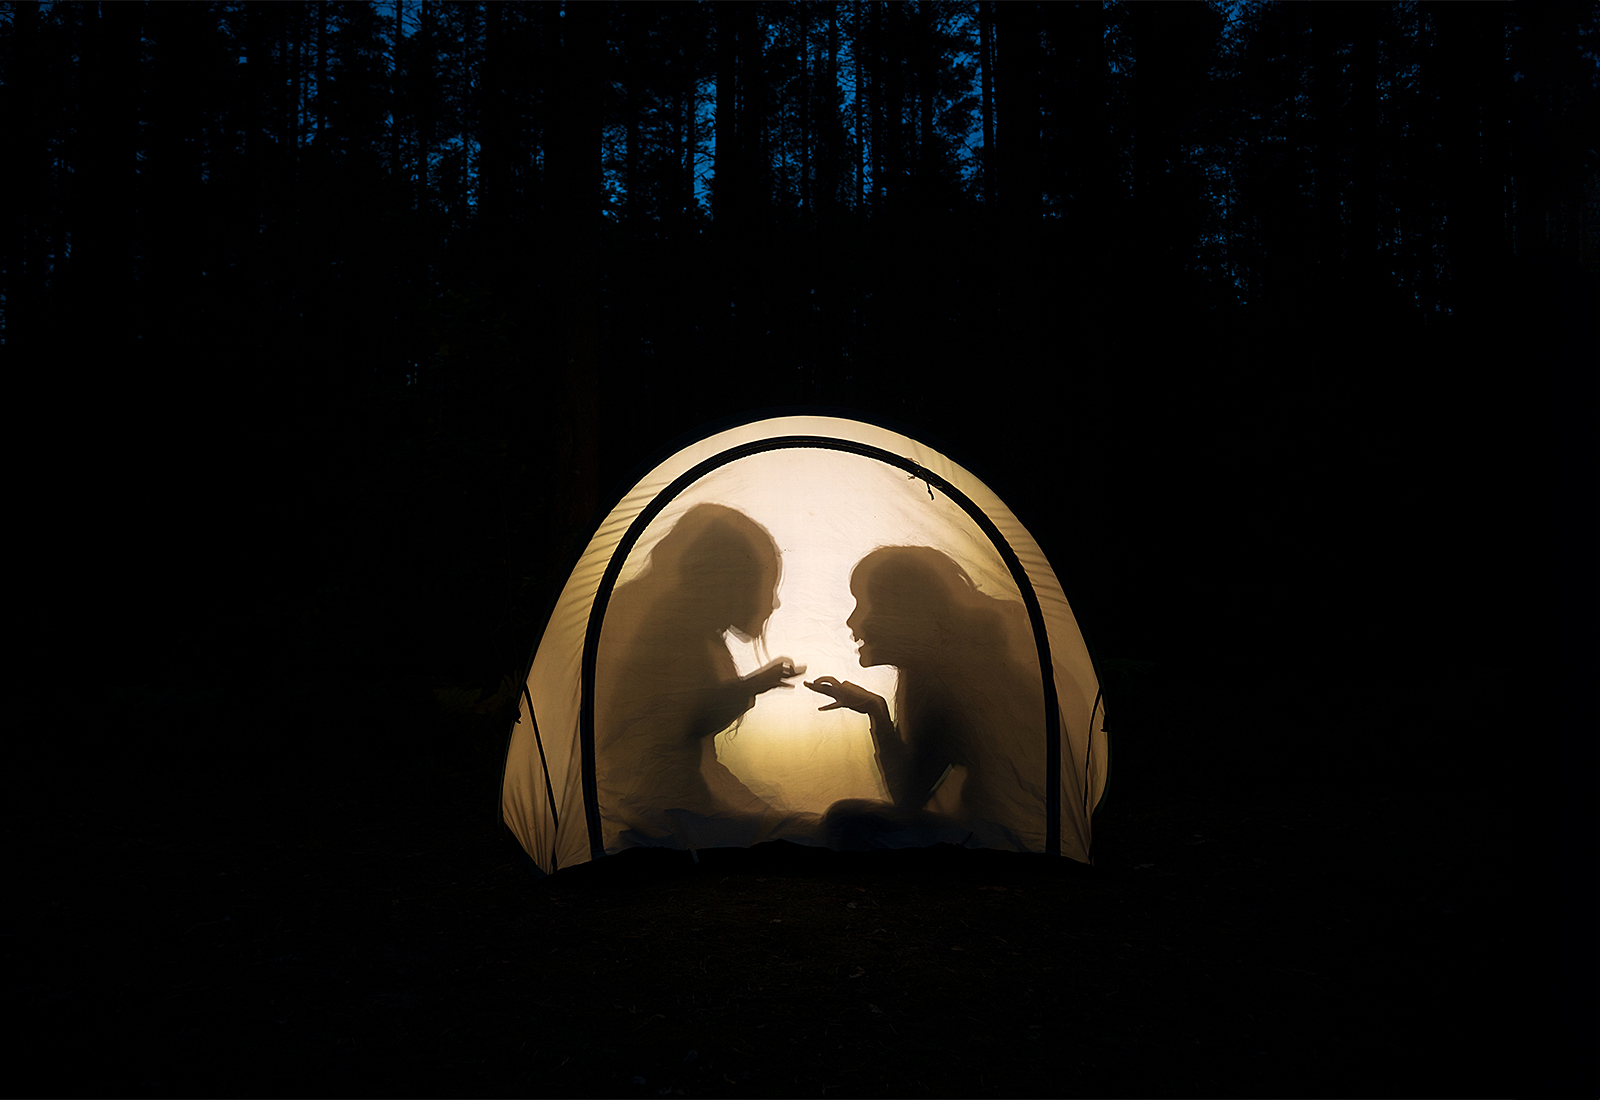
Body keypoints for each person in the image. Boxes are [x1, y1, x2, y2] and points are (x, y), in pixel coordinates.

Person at [595, 503, 809, 850]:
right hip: (657, 805)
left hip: (647, 792)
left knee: (793, 826)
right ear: (731, 580)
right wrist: (754, 685)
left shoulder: (664, 616)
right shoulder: (674, 629)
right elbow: (687, 721)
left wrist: (752, 685)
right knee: (803, 833)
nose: (774, 603)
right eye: (766, 584)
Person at [804, 546, 1046, 850]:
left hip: (1000, 844)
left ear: (901, 612)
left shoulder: (943, 686)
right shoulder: (953, 666)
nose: (852, 622)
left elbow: (906, 798)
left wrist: (877, 713)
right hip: (1003, 835)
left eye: (863, 604)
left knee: (844, 819)